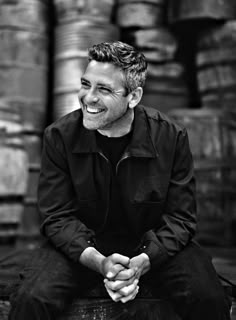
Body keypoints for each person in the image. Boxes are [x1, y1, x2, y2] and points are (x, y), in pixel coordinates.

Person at [9, 41, 231, 320]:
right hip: (82, 249)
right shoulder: (59, 137)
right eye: (85, 84)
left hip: (154, 250)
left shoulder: (171, 137)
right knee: (31, 298)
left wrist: (144, 262)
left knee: (208, 297)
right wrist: (101, 263)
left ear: (134, 97)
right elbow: (56, 217)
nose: (88, 98)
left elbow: (181, 219)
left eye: (103, 89)